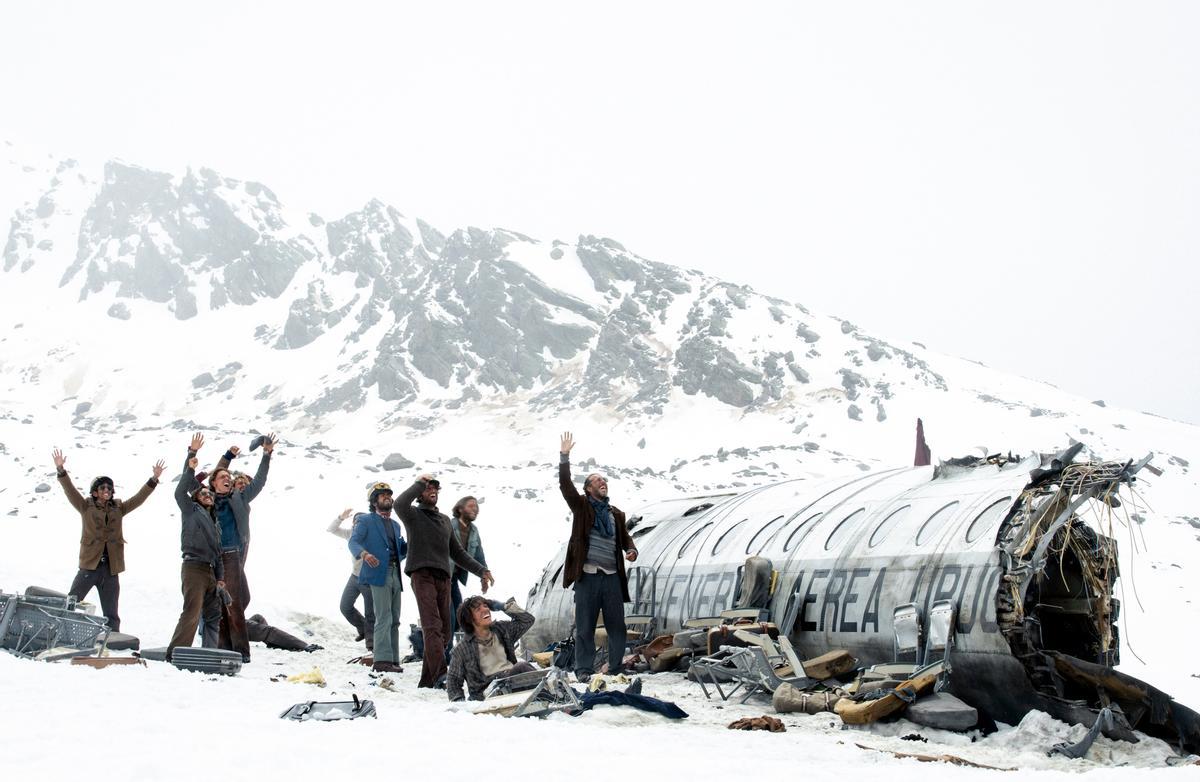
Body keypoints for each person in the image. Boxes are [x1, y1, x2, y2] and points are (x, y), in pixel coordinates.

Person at [395, 474, 494, 688]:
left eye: (435, 488)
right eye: (428, 488)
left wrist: (481, 570)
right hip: (422, 575)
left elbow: (457, 552)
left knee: (446, 631)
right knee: (432, 626)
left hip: (443, 578)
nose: (433, 490)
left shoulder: (443, 521)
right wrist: (419, 483)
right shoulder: (412, 514)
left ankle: (428, 680)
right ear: (420, 493)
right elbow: (399, 503)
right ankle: (442, 675)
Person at [50, 448, 164, 632]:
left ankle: (113, 641)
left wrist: (153, 479)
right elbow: (69, 490)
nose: (107, 490)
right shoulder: (85, 507)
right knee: (71, 601)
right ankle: (56, 631)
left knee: (111, 612)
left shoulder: (118, 509)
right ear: (94, 492)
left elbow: (139, 498)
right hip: (89, 566)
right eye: (103, 487)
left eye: (110, 488)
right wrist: (61, 470)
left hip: (111, 568)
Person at [558, 431, 637, 680]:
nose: (602, 482)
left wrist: (631, 549)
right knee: (585, 627)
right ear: (588, 488)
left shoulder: (616, 514)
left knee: (617, 626)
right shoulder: (581, 506)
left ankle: (615, 667)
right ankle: (583, 670)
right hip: (588, 576)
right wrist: (564, 457)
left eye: (604, 480)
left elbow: (624, 538)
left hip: (612, 577)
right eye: (597, 480)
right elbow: (565, 486)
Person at [210, 434, 275, 662]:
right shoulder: (207, 498)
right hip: (215, 556)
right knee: (229, 602)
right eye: (223, 477)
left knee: (238, 600)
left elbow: (259, 481)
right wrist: (227, 457)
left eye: (229, 477)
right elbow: (212, 475)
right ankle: (232, 648)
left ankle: (234, 647)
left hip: (233, 554)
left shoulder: (239, 497)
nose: (227, 479)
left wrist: (266, 455)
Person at [166, 433, 226, 659]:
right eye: (203, 493)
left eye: (209, 493)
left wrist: (220, 577)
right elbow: (181, 489)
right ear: (196, 499)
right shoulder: (190, 511)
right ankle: (176, 653)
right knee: (191, 612)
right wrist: (191, 457)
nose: (207, 494)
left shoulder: (214, 522)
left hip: (210, 570)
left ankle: (209, 653)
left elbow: (218, 553)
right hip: (193, 568)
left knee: (212, 614)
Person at [348, 482, 408, 672]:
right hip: (377, 575)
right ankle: (382, 661)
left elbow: (401, 551)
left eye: (389, 494)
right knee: (384, 616)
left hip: (395, 573)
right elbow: (353, 542)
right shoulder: (366, 520)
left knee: (395, 618)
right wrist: (365, 554)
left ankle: (393, 659)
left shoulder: (396, 525)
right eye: (382, 495)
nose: (387, 497)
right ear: (374, 501)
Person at [445, 596, 536, 701]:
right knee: (522, 666)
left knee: (525, 669)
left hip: (512, 682)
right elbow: (453, 680)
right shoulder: (461, 648)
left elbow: (528, 620)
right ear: (469, 619)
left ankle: (547, 695)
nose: (485, 609)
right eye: (478, 609)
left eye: (485, 606)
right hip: (488, 693)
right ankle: (549, 695)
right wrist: (459, 701)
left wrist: (503, 606)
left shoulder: (501, 629)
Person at [447, 495, 487, 658]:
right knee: (448, 613)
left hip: (455, 577)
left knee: (459, 613)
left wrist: (484, 574)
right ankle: (446, 652)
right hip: (443, 575)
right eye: (470, 506)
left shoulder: (474, 530)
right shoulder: (449, 525)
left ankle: (453, 648)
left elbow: (479, 554)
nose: (475, 509)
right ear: (460, 509)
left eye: (476, 507)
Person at [328, 507, 374, 650]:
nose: (356, 524)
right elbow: (331, 529)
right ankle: (362, 629)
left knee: (370, 612)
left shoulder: (372, 536)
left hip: (369, 578)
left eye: (360, 522)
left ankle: (372, 645)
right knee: (345, 606)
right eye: (355, 522)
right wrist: (341, 517)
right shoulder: (351, 534)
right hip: (354, 577)